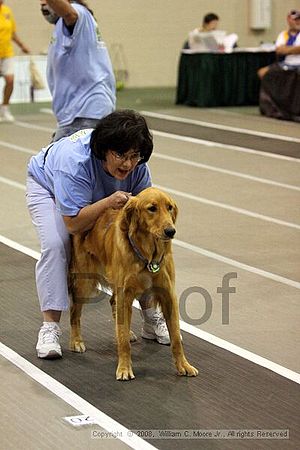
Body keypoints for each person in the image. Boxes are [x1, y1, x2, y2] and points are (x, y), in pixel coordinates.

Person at [26, 110, 170, 359]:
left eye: (134, 156)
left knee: (146, 239)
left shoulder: (137, 166)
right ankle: (49, 327)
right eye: (120, 155)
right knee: (57, 243)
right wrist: (106, 203)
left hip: (101, 192)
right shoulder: (73, 163)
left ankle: (150, 315)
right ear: (104, 150)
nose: (127, 164)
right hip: (48, 187)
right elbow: (73, 225)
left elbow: (146, 219)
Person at [39, 0, 116, 141]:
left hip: (84, 112)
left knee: (53, 161)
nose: (43, 4)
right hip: (81, 113)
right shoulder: (64, 27)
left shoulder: (77, 13)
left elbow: (70, 14)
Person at [0, 0, 30, 122]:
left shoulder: (7, 11)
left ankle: (5, 107)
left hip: (7, 53)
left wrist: (22, 45)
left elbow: (12, 33)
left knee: (10, 80)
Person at [258, 9, 300, 79]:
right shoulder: (283, 34)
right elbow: (279, 50)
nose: (298, 22)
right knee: (263, 72)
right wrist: (294, 49)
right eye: (295, 20)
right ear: (289, 20)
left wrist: (287, 49)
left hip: (298, 64)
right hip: (286, 63)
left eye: (299, 20)